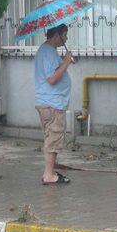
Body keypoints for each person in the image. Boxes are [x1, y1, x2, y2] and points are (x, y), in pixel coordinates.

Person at [34, 24, 73, 185]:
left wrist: (64, 61)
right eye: (65, 35)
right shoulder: (48, 52)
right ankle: (49, 175)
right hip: (52, 104)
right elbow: (52, 79)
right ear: (58, 35)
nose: (66, 38)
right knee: (53, 138)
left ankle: (49, 172)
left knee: (53, 138)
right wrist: (66, 62)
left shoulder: (48, 51)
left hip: (51, 103)